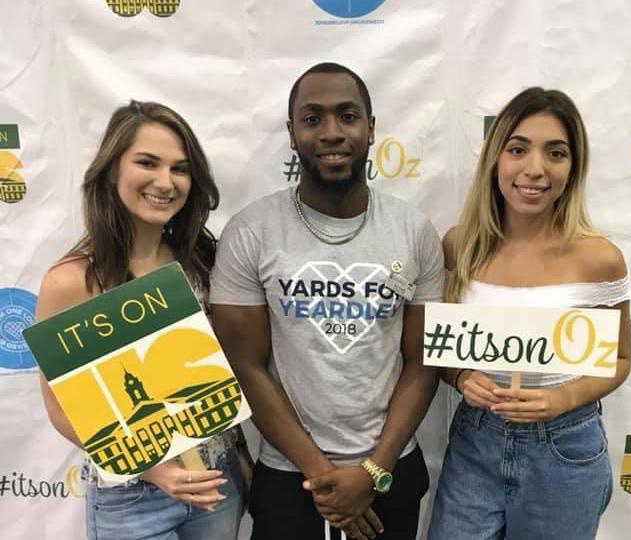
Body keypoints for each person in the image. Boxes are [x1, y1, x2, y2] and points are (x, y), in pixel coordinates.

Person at [210, 62, 445, 540]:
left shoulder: (413, 231)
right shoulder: (251, 232)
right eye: (313, 118)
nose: (332, 132)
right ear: (292, 132)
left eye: (348, 116)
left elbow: (420, 362)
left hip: (390, 470)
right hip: (290, 475)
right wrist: (325, 478)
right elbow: (246, 366)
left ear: (371, 128)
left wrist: (372, 473)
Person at [36, 100, 250, 540]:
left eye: (180, 168)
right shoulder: (72, 281)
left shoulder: (203, 263)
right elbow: (61, 410)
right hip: (130, 495)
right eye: (147, 163)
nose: (165, 182)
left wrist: (240, 458)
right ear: (113, 169)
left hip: (216, 481)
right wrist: (156, 471)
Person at [428, 87, 631, 540]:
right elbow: (441, 349)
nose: (535, 169)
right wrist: (462, 378)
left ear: (573, 166)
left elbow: (620, 360)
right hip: (474, 443)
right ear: (496, 158)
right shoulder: (459, 245)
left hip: (565, 449)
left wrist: (560, 399)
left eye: (555, 153)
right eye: (518, 149)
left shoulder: (600, 258)